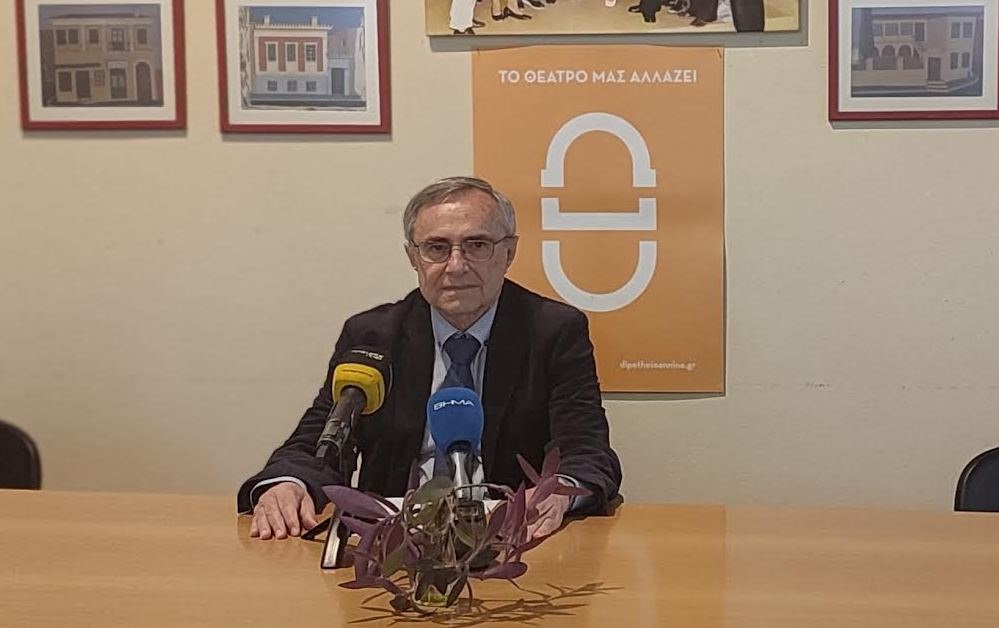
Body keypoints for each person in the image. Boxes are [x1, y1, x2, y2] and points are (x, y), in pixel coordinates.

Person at [237, 176, 622, 542]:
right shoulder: (373, 337)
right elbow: (321, 438)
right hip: (393, 544)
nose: (456, 265)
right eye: (437, 248)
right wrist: (288, 484)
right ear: (413, 257)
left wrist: (559, 491)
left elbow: (585, 449)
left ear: (509, 252)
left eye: (476, 245)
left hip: (514, 539)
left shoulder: (552, 332)